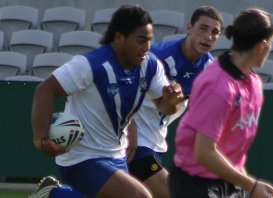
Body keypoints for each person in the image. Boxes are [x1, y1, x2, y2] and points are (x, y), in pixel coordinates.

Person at [30, 4, 184, 198]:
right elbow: (44, 90)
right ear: (119, 38)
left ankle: (54, 195)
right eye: (140, 40)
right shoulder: (91, 64)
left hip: (116, 155)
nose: (146, 47)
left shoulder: (150, 65)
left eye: (149, 41)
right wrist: (41, 139)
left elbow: (165, 108)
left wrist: (172, 101)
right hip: (81, 157)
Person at [168, 7, 273, 198]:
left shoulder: (253, 83)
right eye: (271, 44)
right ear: (262, 45)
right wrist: (251, 186)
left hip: (228, 182)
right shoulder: (218, 86)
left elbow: (232, 150)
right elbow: (204, 153)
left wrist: (247, 186)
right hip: (195, 186)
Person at [127, 6, 223, 198]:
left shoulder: (210, 71)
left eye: (214, 32)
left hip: (156, 141)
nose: (208, 36)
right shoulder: (158, 56)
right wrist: (130, 128)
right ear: (189, 28)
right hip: (134, 140)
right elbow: (125, 87)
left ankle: (56, 193)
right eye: (203, 29)